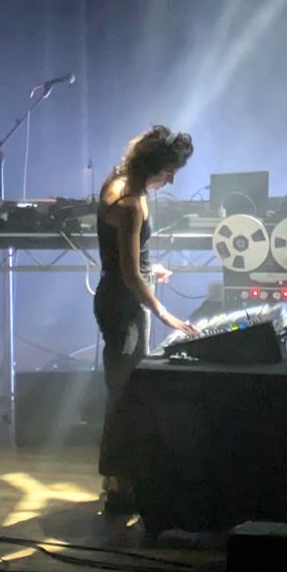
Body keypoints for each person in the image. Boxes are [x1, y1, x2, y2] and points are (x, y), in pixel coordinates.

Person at [94, 124, 199, 512]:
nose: (171, 180)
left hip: (118, 298)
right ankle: (118, 489)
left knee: (126, 393)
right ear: (153, 166)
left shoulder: (117, 181)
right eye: (168, 172)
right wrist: (163, 311)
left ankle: (121, 481)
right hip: (124, 305)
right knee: (124, 396)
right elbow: (128, 273)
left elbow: (127, 260)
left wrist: (152, 270)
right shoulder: (132, 202)